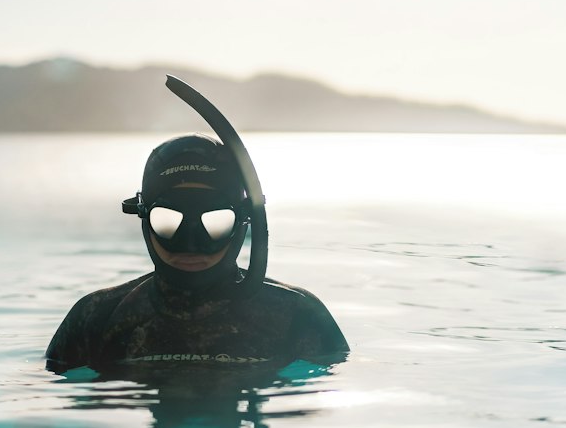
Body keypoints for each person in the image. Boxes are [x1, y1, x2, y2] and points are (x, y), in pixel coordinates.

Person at [45, 133, 348, 372]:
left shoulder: (297, 316)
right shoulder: (96, 318)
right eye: (168, 221)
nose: (190, 243)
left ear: (244, 222)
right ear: (143, 218)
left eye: (215, 223)